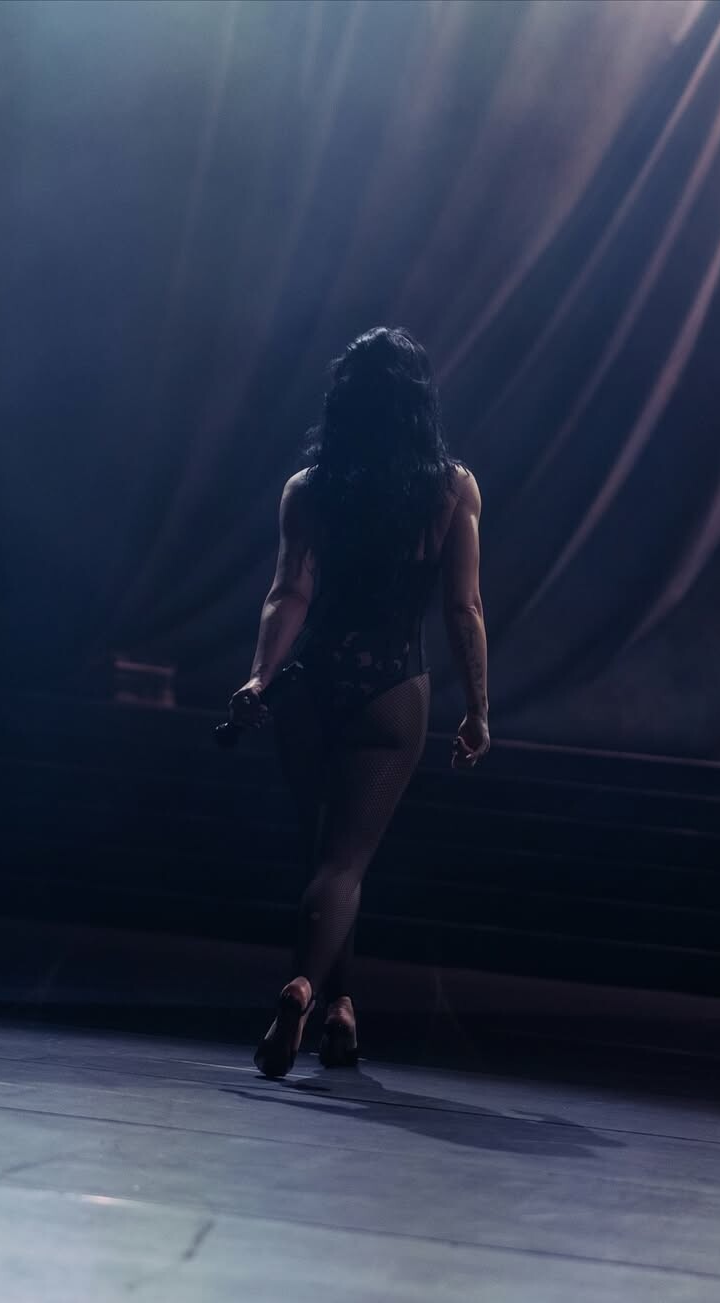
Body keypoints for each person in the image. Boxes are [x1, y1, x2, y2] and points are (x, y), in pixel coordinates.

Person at [228, 326, 489, 1078]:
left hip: (310, 684)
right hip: (392, 688)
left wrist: (258, 676)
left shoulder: (308, 488)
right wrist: (478, 708)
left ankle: (340, 1007)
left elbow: (288, 592)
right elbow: (464, 607)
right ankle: (303, 988)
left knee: (327, 855)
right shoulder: (452, 490)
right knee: (344, 861)